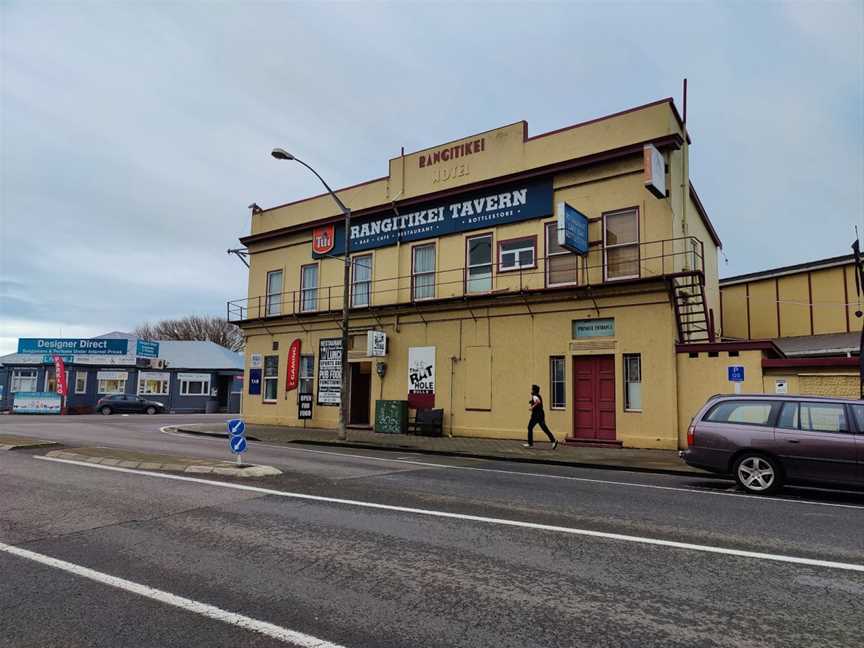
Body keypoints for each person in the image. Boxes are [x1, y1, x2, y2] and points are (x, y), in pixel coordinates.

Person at [524, 384, 557, 449]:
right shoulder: (538, 395)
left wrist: (532, 407)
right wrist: (531, 402)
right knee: (544, 428)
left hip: (536, 415)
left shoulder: (534, 396)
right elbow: (538, 401)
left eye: (532, 389)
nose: (531, 390)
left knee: (529, 427)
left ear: (534, 390)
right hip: (541, 414)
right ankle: (554, 441)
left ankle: (530, 444)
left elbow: (538, 402)